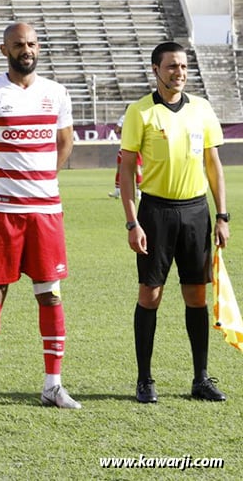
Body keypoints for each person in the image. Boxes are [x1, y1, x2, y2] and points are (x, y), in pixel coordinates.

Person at [0, 22, 80, 413]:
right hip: (2, 213)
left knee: (50, 294)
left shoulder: (57, 93)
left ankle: (53, 385)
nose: (24, 50)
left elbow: (64, 144)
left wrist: (42, 181)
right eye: (17, 45)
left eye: (30, 44)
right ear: (3, 49)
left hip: (46, 213)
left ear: (38, 48)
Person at [120, 41, 229, 404]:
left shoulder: (201, 109)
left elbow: (213, 165)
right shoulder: (141, 112)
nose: (178, 73)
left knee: (196, 295)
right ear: (156, 69)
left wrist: (222, 215)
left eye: (182, 67)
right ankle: (144, 380)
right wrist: (132, 222)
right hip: (156, 213)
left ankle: (200, 379)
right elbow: (125, 172)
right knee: (150, 295)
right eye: (171, 67)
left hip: (197, 212)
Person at [108, 114, 142, 199]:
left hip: (127, 147)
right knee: (136, 169)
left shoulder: (124, 117)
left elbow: (116, 130)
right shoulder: (138, 117)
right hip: (135, 147)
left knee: (121, 169)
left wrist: (124, 130)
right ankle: (139, 192)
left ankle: (119, 190)